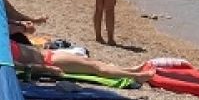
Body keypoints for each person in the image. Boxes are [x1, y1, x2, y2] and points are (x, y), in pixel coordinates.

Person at [8, 40, 155, 84]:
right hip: (50, 60)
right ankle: (135, 76)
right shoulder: (2, 55)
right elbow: (21, 66)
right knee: (94, 67)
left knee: (91, 62)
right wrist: (47, 69)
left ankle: (130, 70)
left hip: (49, 55)